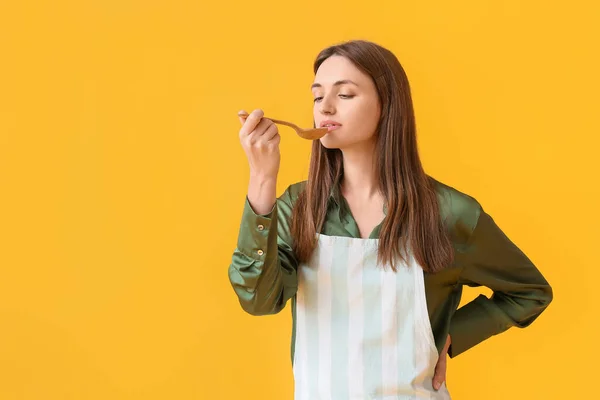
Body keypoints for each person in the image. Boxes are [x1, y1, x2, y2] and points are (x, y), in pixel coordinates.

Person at [228, 39, 553, 399]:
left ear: (387, 104)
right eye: (318, 96)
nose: (326, 107)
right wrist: (261, 180)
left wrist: (450, 338)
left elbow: (529, 291)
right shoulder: (299, 206)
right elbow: (258, 301)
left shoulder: (451, 214)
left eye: (345, 94)